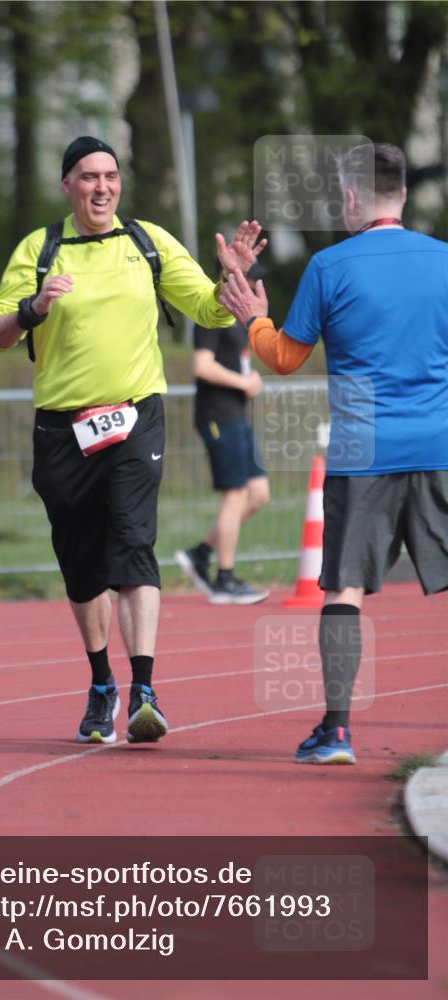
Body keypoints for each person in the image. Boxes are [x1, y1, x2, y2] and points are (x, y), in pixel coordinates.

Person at [0, 135, 266, 745]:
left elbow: (211, 311)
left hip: (136, 417)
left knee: (135, 544)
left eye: (110, 175)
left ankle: (145, 689)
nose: (102, 187)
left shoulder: (148, 241)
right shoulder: (41, 249)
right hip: (62, 428)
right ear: (68, 185)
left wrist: (231, 276)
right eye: (88, 177)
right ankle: (101, 683)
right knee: (83, 565)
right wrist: (33, 308)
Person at [221, 142, 448, 764]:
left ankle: (337, 731)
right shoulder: (444, 261)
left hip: (363, 449)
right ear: (404, 194)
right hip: (440, 443)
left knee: (344, 588)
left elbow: (285, 360)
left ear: (350, 199)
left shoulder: (330, 265)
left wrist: (255, 320)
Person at [175, 259, 271, 605]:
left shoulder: (240, 318)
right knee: (236, 494)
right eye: (251, 281)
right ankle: (224, 579)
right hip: (217, 415)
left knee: (258, 493)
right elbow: (201, 365)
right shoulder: (212, 312)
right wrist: (243, 382)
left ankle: (201, 553)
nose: (257, 288)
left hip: (236, 414)